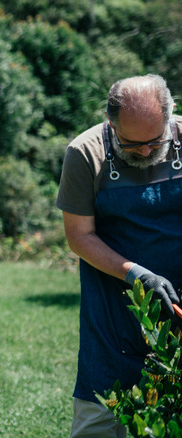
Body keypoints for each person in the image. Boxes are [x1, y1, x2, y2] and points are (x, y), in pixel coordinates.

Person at [57, 74, 182, 437]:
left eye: (155, 141)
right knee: (99, 420)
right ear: (111, 122)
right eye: (132, 144)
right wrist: (137, 274)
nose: (145, 152)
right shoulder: (85, 154)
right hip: (113, 311)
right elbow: (79, 237)